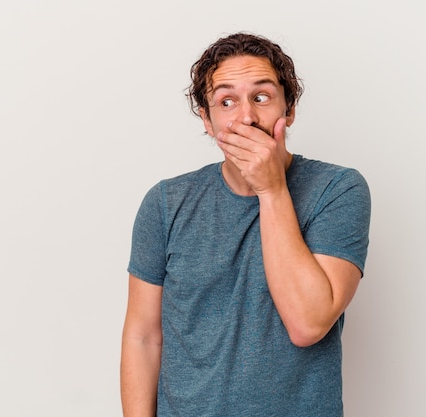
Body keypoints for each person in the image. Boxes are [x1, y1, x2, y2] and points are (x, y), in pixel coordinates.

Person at [120, 32, 371, 417]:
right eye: (226, 102)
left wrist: (271, 190)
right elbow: (143, 337)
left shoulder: (338, 190)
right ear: (207, 119)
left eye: (261, 97)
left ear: (289, 108)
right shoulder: (166, 203)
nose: (247, 117)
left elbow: (308, 324)